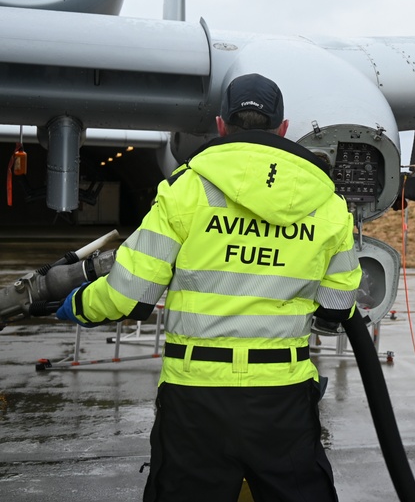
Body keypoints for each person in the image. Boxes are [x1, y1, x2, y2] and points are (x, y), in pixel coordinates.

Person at [57, 73, 361, 502]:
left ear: (221, 125)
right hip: (283, 398)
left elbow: (128, 294)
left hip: (195, 397)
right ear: (284, 127)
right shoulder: (328, 204)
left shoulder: (186, 189)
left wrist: (78, 305)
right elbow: (336, 307)